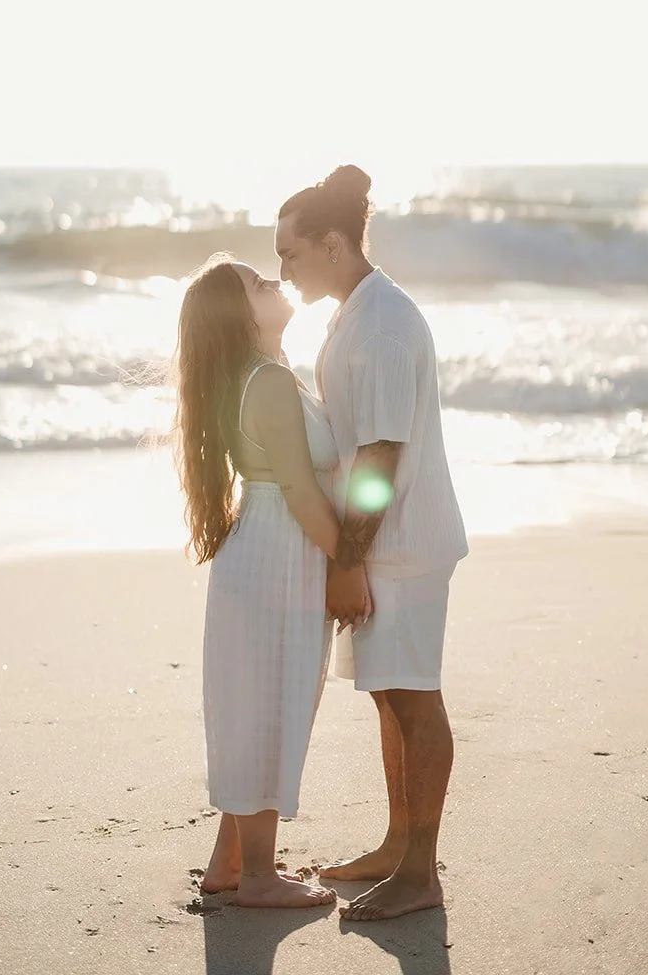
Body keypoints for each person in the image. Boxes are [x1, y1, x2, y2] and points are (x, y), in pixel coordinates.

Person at [275, 166, 469, 922]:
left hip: (403, 544)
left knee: (413, 700)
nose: (283, 270)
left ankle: (419, 873)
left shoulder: (381, 324)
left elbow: (381, 454)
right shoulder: (353, 311)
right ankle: (397, 848)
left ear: (330, 242)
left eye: (291, 253)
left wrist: (348, 561)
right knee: (390, 699)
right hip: (385, 542)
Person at [173, 253, 370, 910]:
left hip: (267, 552)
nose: (274, 281)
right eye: (258, 284)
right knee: (266, 708)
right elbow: (299, 491)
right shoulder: (268, 382)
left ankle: (228, 863)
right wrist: (349, 565)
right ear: (240, 314)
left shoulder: (262, 374)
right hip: (277, 553)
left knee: (259, 704)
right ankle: (258, 876)